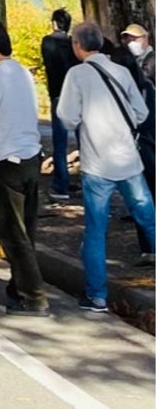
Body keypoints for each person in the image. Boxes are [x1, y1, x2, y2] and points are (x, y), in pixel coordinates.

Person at [56, 20, 156, 313]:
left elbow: (67, 117)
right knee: (149, 220)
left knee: (96, 231)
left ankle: (97, 295)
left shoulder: (76, 75)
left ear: (77, 45)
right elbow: (141, 112)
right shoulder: (121, 71)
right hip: (128, 160)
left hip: (97, 164)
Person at [0, 22, 48, 313]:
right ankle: (17, 287)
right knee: (27, 228)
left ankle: (34, 297)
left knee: (12, 232)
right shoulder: (24, 73)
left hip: (6, 159)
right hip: (31, 155)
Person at [40, 9, 77, 202]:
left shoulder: (48, 42)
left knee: (60, 142)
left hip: (57, 95)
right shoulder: (74, 43)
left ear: (54, 23)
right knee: (83, 139)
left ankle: (61, 184)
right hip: (76, 94)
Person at [116, 25, 155, 202]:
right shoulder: (134, 61)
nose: (131, 42)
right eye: (128, 39)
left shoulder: (152, 61)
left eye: (135, 38)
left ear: (145, 38)